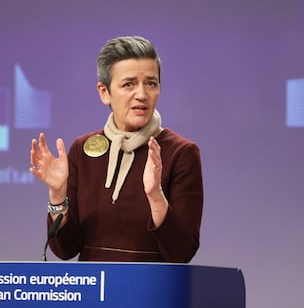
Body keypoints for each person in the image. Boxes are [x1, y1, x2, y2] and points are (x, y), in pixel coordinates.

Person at [30, 36, 204, 263]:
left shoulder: (182, 153)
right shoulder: (82, 151)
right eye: (128, 84)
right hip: (93, 293)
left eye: (151, 83)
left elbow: (182, 252)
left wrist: (155, 196)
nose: (141, 94)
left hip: (151, 293)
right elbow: (66, 250)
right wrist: (57, 195)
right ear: (104, 92)